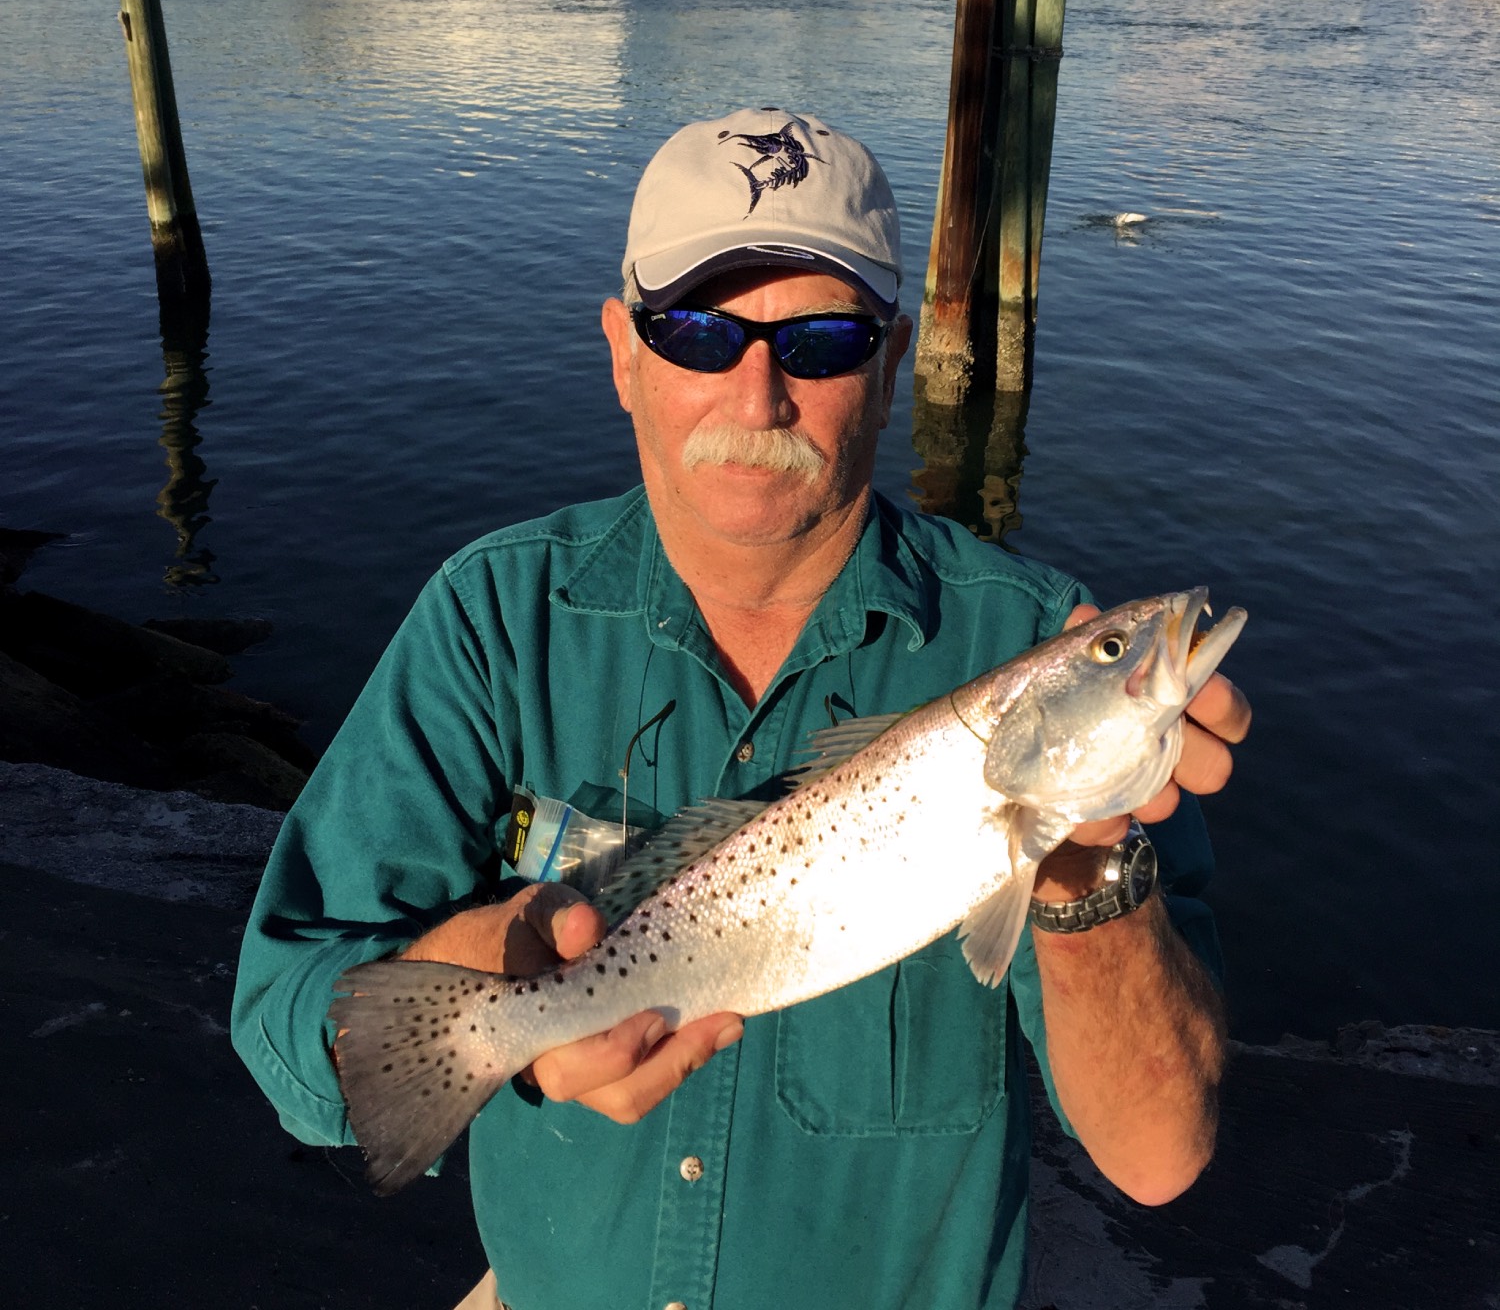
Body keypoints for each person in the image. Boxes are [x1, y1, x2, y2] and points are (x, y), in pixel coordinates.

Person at [233, 107, 1250, 1310]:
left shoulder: (1029, 637)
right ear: (622, 353)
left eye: (820, 338)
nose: (757, 391)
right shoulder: (492, 616)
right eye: (698, 331)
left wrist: (1092, 876)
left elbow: (1159, 1155)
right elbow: (287, 1030)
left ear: (891, 361)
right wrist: (486, 988)